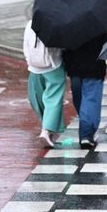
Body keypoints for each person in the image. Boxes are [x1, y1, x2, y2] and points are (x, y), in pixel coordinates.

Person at [63, 29, 107, 149]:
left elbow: (63, 47)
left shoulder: (68, 25)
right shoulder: (98, 25)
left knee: (80, 100)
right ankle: (86, 133)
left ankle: (86, 130)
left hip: (75, 69)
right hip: (93, 68)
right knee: (90, 101)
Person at [22, 20, 66, 148]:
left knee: (37, 98)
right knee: (53, 99)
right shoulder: (56, 24)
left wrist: (29, 61)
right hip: (53, 66)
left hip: (34, 67)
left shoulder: (30, 24)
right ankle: (47, 130)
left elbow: (26, 45)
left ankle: (49, 129)